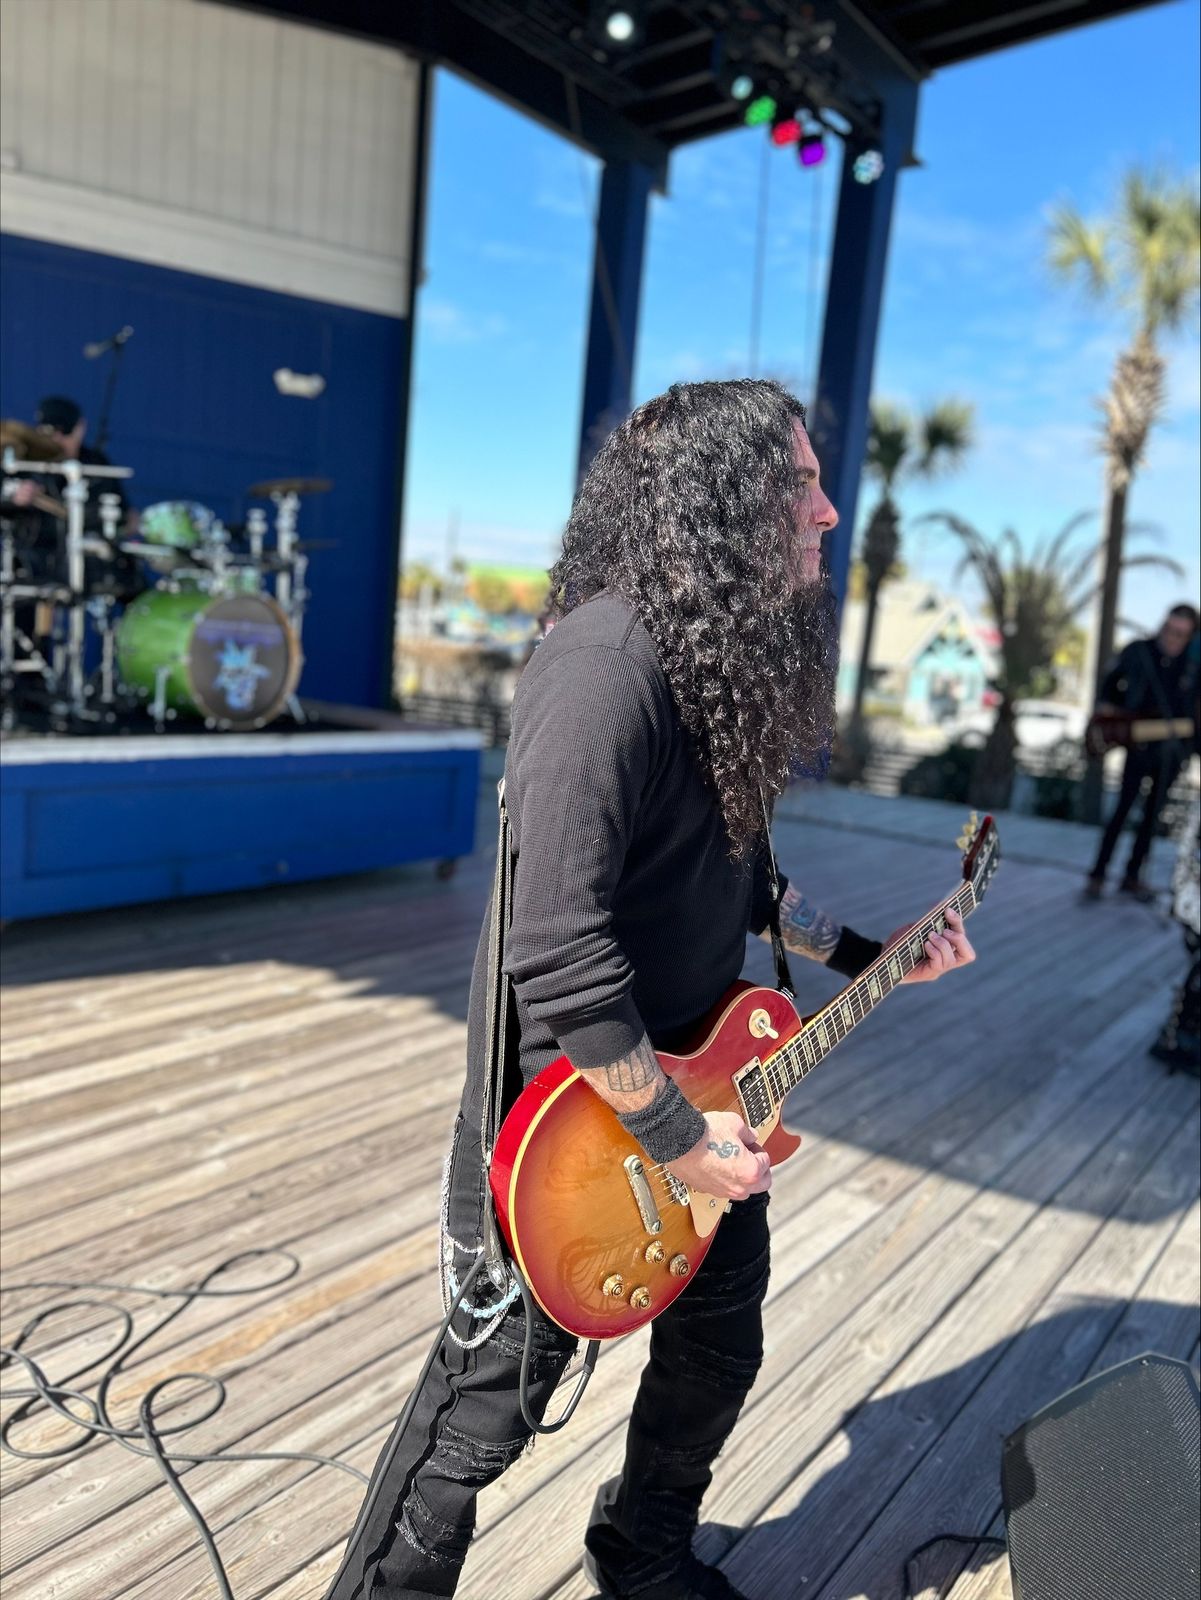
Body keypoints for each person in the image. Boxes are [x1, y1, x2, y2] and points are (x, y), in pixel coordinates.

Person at [324, 380, 977, 1600]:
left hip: (710, 1090)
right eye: (798, 486)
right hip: (566, 1125)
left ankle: (642, 1547)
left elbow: (740, 886)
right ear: (718, 499)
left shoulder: (711, 662)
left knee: (717, 1350)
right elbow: (557, 948)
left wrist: (869, 952)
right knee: (477, 1424)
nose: (827, 512)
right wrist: (675, 1139)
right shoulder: (602, 664)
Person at [1084, 604, 1200, 902]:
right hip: (1138, 745)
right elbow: (1110, 685)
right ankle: (1098, 874)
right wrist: (1110, 709)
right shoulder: (1140, 652)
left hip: (1172, 751)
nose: (1172, 638)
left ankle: (1132, 876)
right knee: (1122, 808)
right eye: (1169, 630)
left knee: (1153, 816)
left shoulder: (1192, 665)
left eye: (1180, 634)